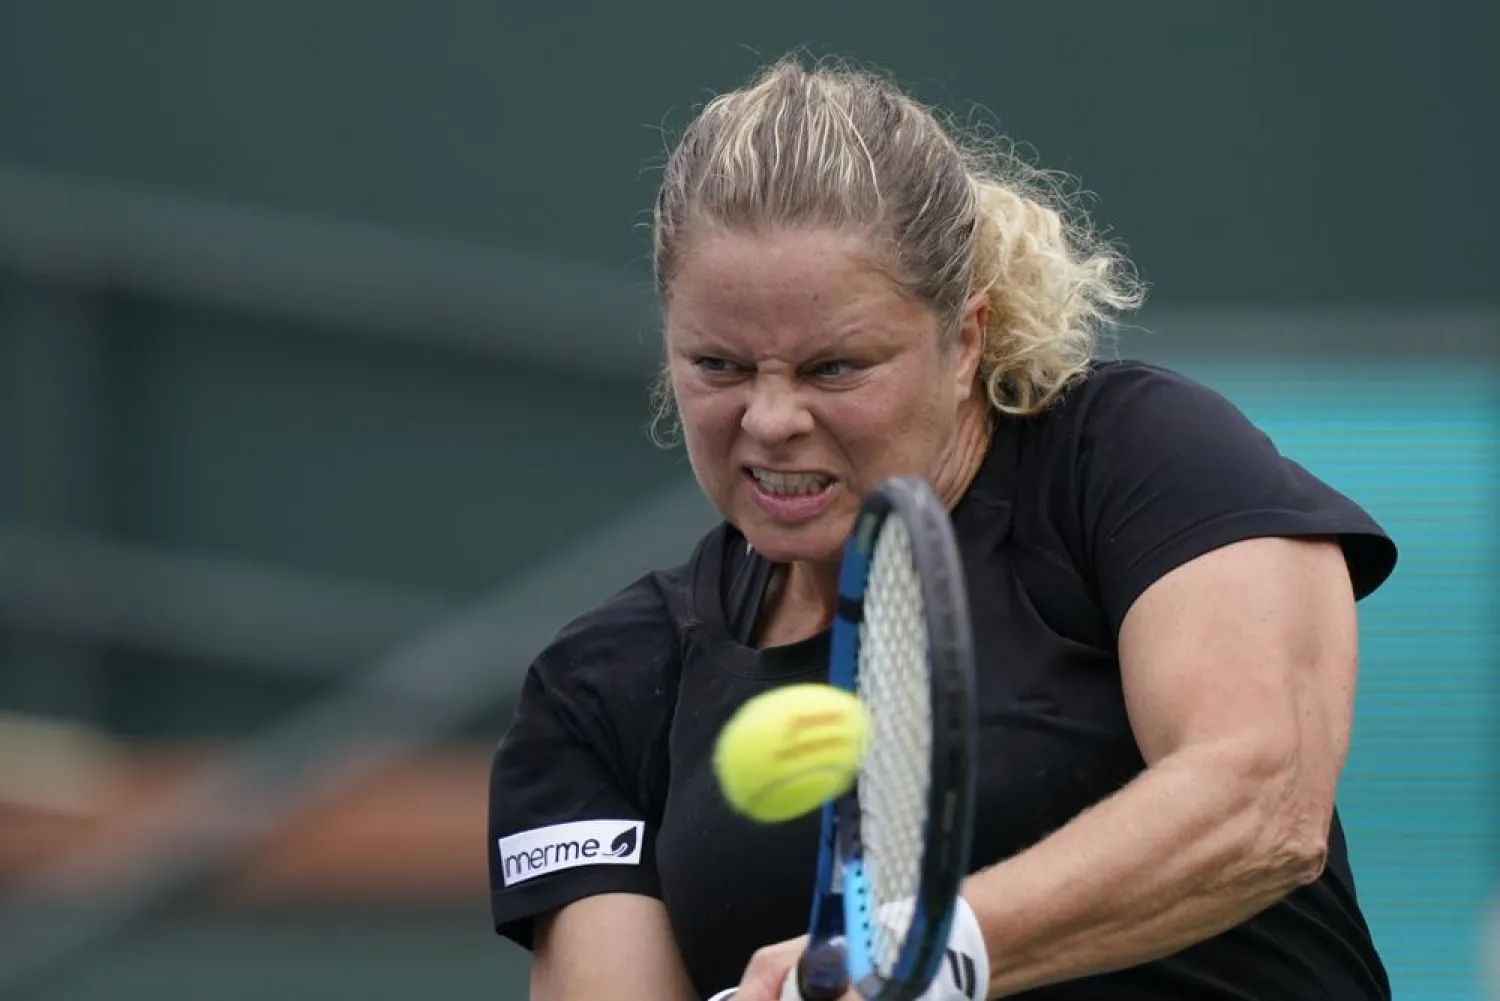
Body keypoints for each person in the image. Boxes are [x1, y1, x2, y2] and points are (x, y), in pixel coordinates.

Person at [487, 54, 1398, 1000]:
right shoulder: (603, 687)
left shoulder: (1132, 458)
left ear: (964, 342)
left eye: (834, 368)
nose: (769, 418)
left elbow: (1264, 801)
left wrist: (929, 950)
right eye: (717, 365)